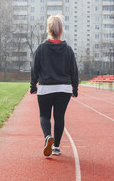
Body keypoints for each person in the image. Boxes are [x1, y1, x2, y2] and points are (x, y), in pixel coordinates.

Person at [30, 14, 79, 157]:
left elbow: (35, 69)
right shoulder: (68, 50)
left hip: (46, 87)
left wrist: (33, 86)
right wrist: (75, 89)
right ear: (61, 30)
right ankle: (56, 147)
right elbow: (74, 70)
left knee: (44, 116)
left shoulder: (41, 49)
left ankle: (47, 137)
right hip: (64, 88)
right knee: (59, 117)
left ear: (48, 29)